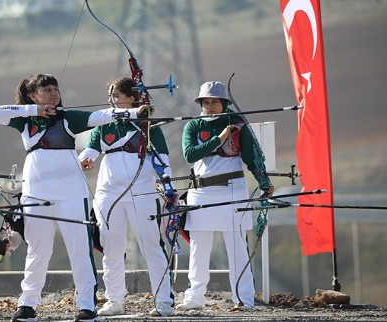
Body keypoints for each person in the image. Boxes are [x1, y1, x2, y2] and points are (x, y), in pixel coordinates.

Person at [0, 74, 146, 322]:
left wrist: (135, 113)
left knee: (79, 250)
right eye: (47, 90)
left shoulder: (67, 118)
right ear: (33, 95)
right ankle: (27, 304)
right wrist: (34, 110)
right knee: (37, 251)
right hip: (35, 195)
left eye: (56, 89)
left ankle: (86, 305)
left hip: (71, 195)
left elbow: (101, 116)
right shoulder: (25, 121)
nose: (54, 94)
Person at [78, 77, 175, 317]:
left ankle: (164, 301)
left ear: (131, 98)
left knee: (151, 246)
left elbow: (162, 160)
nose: (111, 100)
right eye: (110, 96)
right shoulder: (104, 123)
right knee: (111, 248)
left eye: (117, 96)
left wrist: (168, 188)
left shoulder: (148, 125)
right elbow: (90, 151)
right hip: (108, 195)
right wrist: (84, 160)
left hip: (141, 193)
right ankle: (114, 300)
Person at [176, 81, 274, 311]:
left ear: (224, 103)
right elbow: (190, 155)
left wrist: (264, 182)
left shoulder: (238, 125)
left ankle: (244, 299)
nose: (209, 106)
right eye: (205, 102)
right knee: (199, 248)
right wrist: (219, 138)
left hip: (233, 190)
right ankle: (194, 297)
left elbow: (253, 158)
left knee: (237, 247)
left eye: (214, 102)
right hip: (200, 193)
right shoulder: (192, 126)